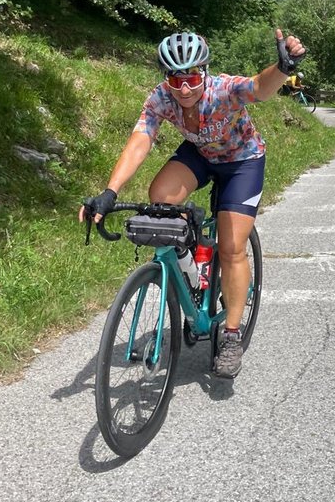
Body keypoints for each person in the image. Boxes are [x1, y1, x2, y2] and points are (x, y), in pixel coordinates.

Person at [80, 27, 306, 378]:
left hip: (242, 162)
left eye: (192, 77)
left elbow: (259, 88)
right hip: (201, 154)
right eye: (175, 78)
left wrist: (283, 67)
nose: (184, 87)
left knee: (232, 247)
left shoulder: (222, 90)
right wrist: (110, 192)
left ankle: (230, 334)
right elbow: (140, 140)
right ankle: (194, 269)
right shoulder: (161, 98)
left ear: (205, 72)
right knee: (160, 199)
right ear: (165, 78)